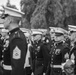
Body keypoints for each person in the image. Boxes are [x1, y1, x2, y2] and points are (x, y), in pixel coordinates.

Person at [1, 6, 27, 75]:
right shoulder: (12, 35)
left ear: (10, 20)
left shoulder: (17, 38)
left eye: (5, 18)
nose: (3, 21)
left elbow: (17, 67)